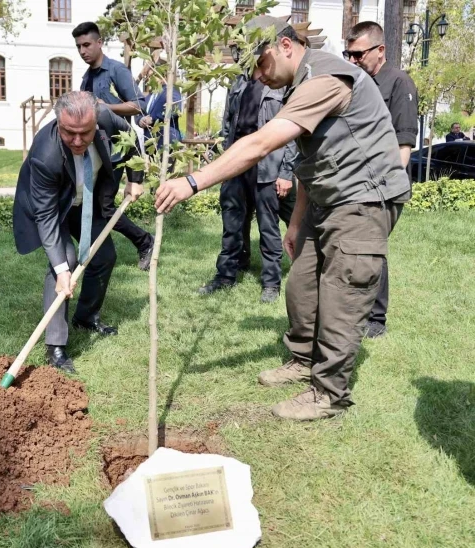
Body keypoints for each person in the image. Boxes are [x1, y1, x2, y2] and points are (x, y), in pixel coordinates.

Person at [155, 15, 411, 420]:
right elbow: (313, 161)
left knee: (342, 295)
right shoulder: (302, 84)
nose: (258, 76)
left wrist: (192, 181)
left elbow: (259, 144)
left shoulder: (326, 79)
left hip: (363, 201)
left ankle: (329, 393)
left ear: (285, 47)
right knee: (303, 283)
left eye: (261, 64)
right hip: (328, 199)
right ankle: (303, 359)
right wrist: (295, 224)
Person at [13, 91, 144, 374]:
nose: (76, 141)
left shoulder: (107, 118)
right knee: (66, 260)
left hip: (86, 200)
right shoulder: (45, 153)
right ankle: (56, 346)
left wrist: (135, 180)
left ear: (95, 122)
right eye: (68, 133)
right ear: (58, 123)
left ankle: (86, 317)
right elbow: (46, 215)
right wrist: (62, 271)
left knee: (105, 255)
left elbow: (132, 141)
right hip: (54, 206)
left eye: (84, 133)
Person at [200, 64, 297, 303]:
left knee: (268, 226)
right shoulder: (238, 81)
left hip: (268, 164)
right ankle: (225, 275)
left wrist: (286, 172)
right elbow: (227, 122)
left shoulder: (280, 81)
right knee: (231, 222)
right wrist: (226, 160)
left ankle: (271, 283)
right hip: (237, 162)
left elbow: (293, 131)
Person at [345, 21, 418, 338]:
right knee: (356, 247)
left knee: (372, 247)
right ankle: (355, 310)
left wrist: (386, 192)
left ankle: (376, 319)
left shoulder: (399, 82)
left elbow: (404, 147)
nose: (353, 60)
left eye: (358, 54)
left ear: (380, 50)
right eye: (349, 53)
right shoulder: (359, 82)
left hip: (385, 186)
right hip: (357, 183)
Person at [73, 21, 155, 271]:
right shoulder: (86, 78)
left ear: (99, 43)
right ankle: (98, 253)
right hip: (95, 153)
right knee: (94, 206)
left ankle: (144, 241)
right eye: (78, 47)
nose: (83, 50)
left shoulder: (117, 71)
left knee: (105, 206)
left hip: (120, 152)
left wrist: (104, 107)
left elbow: (139, 105)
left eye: (87, 44)